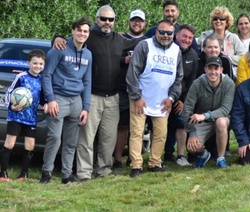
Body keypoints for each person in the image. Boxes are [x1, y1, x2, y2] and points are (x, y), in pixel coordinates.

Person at [53, 5, 140, 181]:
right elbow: (68, 41)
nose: (107, 22)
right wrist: (56, 38)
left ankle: (104, 169)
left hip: (113, 97)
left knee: (109, 138)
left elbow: (143, 41)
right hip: (91, 96)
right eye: (104, 19)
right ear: (96, 19)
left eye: (111, 19)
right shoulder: (88, 36)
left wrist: (166, 35)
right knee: (86, 138)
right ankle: (84, 173)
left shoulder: (119, 39)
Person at [126, 19, 183, 178]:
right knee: (137, 133)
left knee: (161, 133)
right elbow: (132, 73)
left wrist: (171, 98)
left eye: (169, 33)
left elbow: (179, 78)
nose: (165, 35)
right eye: (162, 32)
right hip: (141, 98)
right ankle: (136, 165)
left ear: (174, 35)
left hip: (163, 101)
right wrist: (137, 96)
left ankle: (154, 163)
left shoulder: (176, 51)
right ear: (156, 32)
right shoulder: (144, 46)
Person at [39, 17, 92, 184]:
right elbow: (46, 74)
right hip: (59, 99)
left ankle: (66, 175)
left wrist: (86, 107)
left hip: (76, 101)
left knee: (71, 142)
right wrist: (51, 99)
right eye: (79, 30)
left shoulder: (88, 54)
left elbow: (87, 81)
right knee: (54, 138)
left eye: (85, 31)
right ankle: (46, 173)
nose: (82, 34)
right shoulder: (59, 48)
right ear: (73, 30)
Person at [0, 49, 46, 182]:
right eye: (35, 63)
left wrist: (46, 104)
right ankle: (3, 173)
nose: (37, 66)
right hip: (16, 116)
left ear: (44, 65)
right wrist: (11, 106)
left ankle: (23, 174)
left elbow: (43, 98)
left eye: (40, 64)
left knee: (30, 145)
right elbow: (9, 93)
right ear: (28, 63)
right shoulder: (21, 77)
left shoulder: (42, 80)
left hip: (31, 118)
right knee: (10, 143)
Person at [183, 56, 235, 168]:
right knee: (192, 147)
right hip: (203, 122)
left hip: (222, 119)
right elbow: (187, 108)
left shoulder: (229, 84)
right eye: (210, 68)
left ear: (221, 70)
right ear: (205, 69)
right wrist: (192, 133)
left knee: (221, 122)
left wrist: (205, 115)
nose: (213, 72)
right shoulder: (197, 83)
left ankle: (221, 159)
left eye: (216, 69)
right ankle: (203, 154)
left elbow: (225, 109)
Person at [112, 9, 147, 170]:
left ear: (145, 24)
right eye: (134, 20)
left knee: (137, 127)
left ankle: (134, 158)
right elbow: (109, 59)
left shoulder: (148, 42)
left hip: (141, 90)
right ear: (129, 22)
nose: (137, 23)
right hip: (120, 88)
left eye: (140, 20)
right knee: (122, 126)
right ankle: (117, 158)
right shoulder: (120, 39)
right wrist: (123, 60)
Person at [164, 24, 198, 166]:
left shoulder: (193, 55)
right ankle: (161, 155)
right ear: (177, 35)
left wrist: (183, 101)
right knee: (159, 126)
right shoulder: (167, 49)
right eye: (184, 36)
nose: (187, 40)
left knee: (181, 123)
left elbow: (191, 81)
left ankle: (180, 155)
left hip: (181, 98)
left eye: (190, 38)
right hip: (164, 96)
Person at [197, 6, 245, 76]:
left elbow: (242, 57)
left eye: (222, 19)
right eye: (215, 19)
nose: (218, 21)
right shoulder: (204, 36)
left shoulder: (233, 38)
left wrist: (226, 58)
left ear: (227, 22)